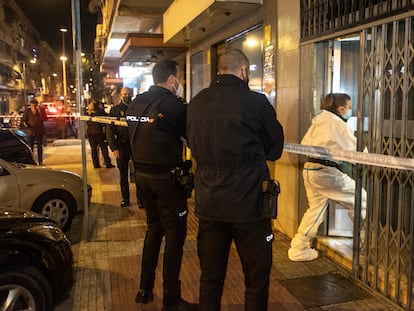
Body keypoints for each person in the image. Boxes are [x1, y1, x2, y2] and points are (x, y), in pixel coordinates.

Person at [187, 49, 284, 311]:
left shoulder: (196, 103)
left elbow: (191, 145)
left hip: (209, 205)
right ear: (243, 71)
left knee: (210, 278)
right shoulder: (256, 102)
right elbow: (275, 149)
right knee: (256, 279)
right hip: (250, 206)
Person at [126, 59, 197, 311]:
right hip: (167, 180)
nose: (181, 83)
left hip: (142, 178)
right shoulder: (174, 106)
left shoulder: (136, 102)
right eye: (180, 77)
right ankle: (171, 299)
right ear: (172, 78)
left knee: (153, 231)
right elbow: (193, 139)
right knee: (175, 238)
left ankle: (144, 290)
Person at [288, 93, 367, 262]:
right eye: (350, 107)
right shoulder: (337, 124)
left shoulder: (318, 121)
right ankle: (365, 244)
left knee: (316, 210)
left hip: (310, 169)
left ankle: (298, 248)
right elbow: (355, 151)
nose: (350, 111)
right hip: (325, 171)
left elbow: (304, 144)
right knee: (361, 199)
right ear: (341, 109)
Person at [106, 87, 134, 208]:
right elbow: (109, 130)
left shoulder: (136, 108)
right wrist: (114, 148)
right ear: (120, 96)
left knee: (138, 174)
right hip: (122, 146)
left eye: (128, 94)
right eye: (124, 94)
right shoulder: (115, 110)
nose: (126, 96)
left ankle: (142, 200)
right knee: (123, 175)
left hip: (135, 145)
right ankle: (125, 199)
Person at [86, 99, 115, 169]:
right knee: (103, 148)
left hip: (90, 132)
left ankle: (96, 164)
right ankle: (107, 163)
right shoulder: (100, 111)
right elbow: (107, 118)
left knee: (94, 149)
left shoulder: (88, 112)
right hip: (99, 132)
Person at [21, 99, 47, 165]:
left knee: (39, 147)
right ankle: (31, 161)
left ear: (37, 105)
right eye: (32, 105)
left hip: (39, 131)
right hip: (30, 131)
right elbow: (23, 119)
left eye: (35, 105)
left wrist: (42, 112)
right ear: (30, 105)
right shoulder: (27, 111)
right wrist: (25, 124)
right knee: (30, 146)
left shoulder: (40, 111)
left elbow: (45, 118)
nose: (33, 107)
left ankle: (40, 161)